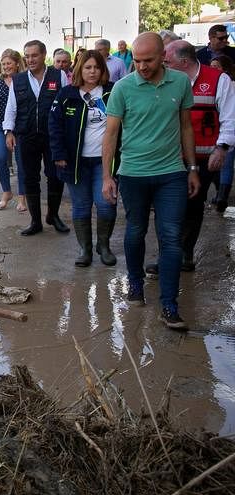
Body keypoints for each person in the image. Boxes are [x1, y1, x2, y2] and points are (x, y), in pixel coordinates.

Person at [101, 32, 201, 331]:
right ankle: (135, 283)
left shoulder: (180, 83)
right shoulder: (123, 88)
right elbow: (111, 134)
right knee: (135, 231)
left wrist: (192, 167)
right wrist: (108, 176)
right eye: (138, 60)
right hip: (133, 174)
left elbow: (186, 127)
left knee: (171, 238)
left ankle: (169, 305)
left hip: (171, 173)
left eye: (149, 60)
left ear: (163, 57)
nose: (142, 66)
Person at [143, 40, 234, 275]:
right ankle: (168, 255)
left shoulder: (218, 80)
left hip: (204, 158)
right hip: (169, 157)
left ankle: (184, 254)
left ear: (183, 62)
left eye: (168, 60)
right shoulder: (166, 81)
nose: (164, 64)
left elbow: (230, 118)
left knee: (192, 205)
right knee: (166, 206)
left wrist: (221, 148)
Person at [50, 50, 119, 267]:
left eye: (96, 67)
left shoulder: (112, 92)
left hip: (104, 161)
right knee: (81, 206)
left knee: (106, 203)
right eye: (88, 67)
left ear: (102, 70)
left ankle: (104, 246)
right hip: (75, 161)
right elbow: (54, 126)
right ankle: (85, 250)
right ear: (80, 68)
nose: (92, 72)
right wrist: (59, 154)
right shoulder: (66, 94)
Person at [3, 39, 70, 235]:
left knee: (55, 175)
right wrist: (9, 132)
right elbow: (11, 108)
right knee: (30, 177)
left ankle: (53, 215)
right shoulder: (19, 80)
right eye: (27, 56)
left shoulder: (59, 76)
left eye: (34, 55)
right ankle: (35, 222)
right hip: (26, 135)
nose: (30, 59)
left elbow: (66, 106)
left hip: (53, 136)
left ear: (43, 55)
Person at [0, 49, 26, 211]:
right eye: (3, 64)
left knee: (22, 162)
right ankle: (6, 192)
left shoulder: (24, 80)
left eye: (9, 63)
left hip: (21, 127)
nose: (6, 67)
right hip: (0, 126)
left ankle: (22, 197)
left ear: (17, 63)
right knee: (0, 158)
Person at [211, 55, 235, 211]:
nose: (212, 70)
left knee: (226, 165)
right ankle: (221, 196)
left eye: (216, 67)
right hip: (227, 129)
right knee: (226, 165)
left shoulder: (226, 85)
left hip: (229, 128)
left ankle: (222, 196)